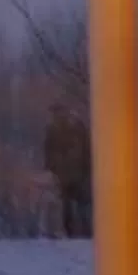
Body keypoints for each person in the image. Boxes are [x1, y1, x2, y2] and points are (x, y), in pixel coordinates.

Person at [43, 101, 91, 239]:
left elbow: (49, 152)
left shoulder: (69, 128)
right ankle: (79, 232)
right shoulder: (55, 129)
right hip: (69, 173)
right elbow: (48, 151)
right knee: (72, 204)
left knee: (76, 204)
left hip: (73, 173)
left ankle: (79, 232)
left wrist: (51, 167)